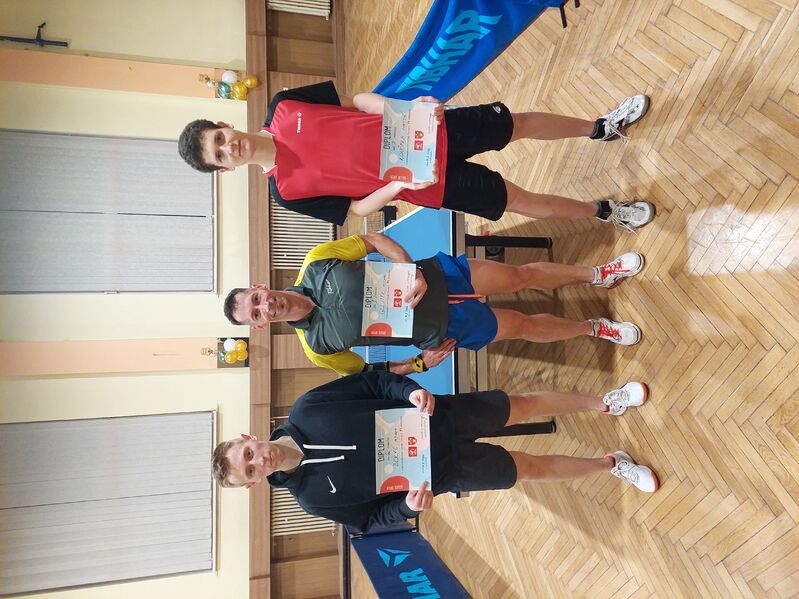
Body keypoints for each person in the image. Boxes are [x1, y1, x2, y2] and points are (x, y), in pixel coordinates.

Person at [211, 371, 659, 533]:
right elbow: (371, 519)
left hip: (437, 418)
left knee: (521, 405)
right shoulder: (312, 500)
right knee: (529, 469)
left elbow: (372, 382)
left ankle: (605, 402)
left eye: (247, 454)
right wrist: (406, 508)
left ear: (249, 438)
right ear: (253, 484)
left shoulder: (308, 407)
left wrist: (408, 392)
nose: (258, 461)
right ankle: (611, 465)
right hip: (443, 472)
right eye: (249, 471)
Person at [178, 81, 655, 230]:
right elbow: (355, 209)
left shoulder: (285, 105)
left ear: (224, 125)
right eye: (219, 157)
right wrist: (397, 186)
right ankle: (605, 211)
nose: (227, 147)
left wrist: (407, 110)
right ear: (227, 169)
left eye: (219, 138)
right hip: (427, 185)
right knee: (520, 200)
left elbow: (357, 102)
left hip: (428, 132)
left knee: (518, 124)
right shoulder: (284, 193)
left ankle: (600, 127)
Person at [222, 232, 645, 376]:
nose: (266, 306)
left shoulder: (317, 261)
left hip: (437, 277)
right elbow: (373, 373)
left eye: (256, 299)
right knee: (523, 325)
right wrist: (420, 364)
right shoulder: (317, 349)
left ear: (260, 286)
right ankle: (593, 327)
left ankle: (598, 273)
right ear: (259, 326)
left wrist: (409, 269)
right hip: (440, 328)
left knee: (521, 276)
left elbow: (372, 240)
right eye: (256, 314)